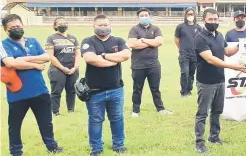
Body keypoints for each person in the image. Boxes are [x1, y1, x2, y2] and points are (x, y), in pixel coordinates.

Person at [1, 14, 63, 156]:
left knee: (46, 122)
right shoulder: (3, 45)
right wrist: (35, 65)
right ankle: (16, 151)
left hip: (40, 90)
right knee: (15, 125)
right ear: (6, 29)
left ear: (23, 25)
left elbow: (47, 57)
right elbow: (10, 63)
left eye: (18, 26)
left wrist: (22, 59)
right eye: (12, 27)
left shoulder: (33, 41)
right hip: (17, 93)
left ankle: (52, 147)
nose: (16, 29)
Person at [193, 8, 245, 154]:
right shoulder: (200, 38)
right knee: (202, 113)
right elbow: (210, 59)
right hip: (206, 82)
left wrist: (245, 45)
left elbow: (227, 52)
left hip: (220, 80)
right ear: (204, 20)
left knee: (217, 111)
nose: (213, 22)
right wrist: (233, 66)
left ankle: (214, 137)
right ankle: (199, 143)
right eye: (210, 20)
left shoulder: (219, 35)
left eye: (216, 19)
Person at [80, 15, 131, 156]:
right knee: (96, 120)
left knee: (117, 118)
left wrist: (103, 56)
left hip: (116, 89)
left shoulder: (118, 40)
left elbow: (126, 55)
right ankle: (96, 148)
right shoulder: (88, 41)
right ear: (94, 26)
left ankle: (119, 145)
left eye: (106, 25)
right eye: (100, 25)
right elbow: (90, 58)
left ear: (110, 26)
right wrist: (113, 60)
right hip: (95, 91)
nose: (103, 27)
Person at [127, 8, 172, 117]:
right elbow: (132, 44)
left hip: (153, 65)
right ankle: (135, 111)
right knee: (137, 89)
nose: (144, 17)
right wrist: (152, 42)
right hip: (138, 65)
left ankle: (160, 109)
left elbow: (159, 42)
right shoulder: (134, 29)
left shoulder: (155, 28)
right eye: (142, 15)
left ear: (149, 16)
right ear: (138, 17)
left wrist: (143, 40)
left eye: (146, 15)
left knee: (155, 88)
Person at [45, 17, 80, 116]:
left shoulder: (72, 38)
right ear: (55, 26)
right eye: (60, 23)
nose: (63, 25)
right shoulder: (51, 38)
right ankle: (55, 112)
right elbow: (50, 56)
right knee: (56, 91)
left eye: (65, 23)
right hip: (57, 69)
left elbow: (77, 53)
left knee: (72, 90)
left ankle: (71, 110)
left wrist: (75, 67)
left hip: (72, 68)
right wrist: (62, 68)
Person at [174, 7, 201, 97]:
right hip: (184, 54)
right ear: (185, 15)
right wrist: (181, 49)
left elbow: (201, 40)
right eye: (188, 14)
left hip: (195, 54)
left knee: (191, 73)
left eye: (192, 14)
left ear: (194, 15)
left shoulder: (198, 27)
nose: (190, 16)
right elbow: (177, 40)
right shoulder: (180, 27)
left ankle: (189, 90)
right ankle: (183, 92)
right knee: (184, 72)